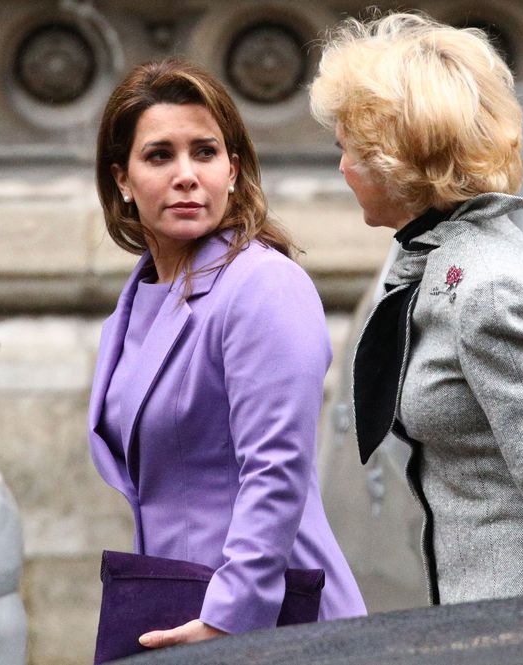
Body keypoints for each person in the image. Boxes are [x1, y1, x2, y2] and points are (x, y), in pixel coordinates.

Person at [309, 12, 523, 605]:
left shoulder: (487, 289)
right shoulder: (454, 257)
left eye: (348, 149)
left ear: (395, 158)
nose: (341, 168)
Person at [88, 58, 366, 649]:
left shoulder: (264, 286)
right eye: (159, 155)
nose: (186, 175)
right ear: (122, 179)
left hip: (264, 621)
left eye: (205, 153)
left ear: (233, 171)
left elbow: (276, 470)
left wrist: (229, 619)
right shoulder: (137, 301)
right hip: (174, 610)